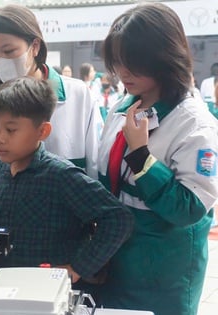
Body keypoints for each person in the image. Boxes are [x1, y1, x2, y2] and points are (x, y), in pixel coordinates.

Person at [97, 3, 218, 314]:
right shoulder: (124, 105)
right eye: (118, 61)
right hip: (117, 262)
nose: (123, 72)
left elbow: (189, 208)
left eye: (134, 62)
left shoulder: (195, 123)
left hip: (163, 275)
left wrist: (141, 158)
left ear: (165, 57)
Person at [0, 77, 133, 284]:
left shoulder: (60, 175)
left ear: (42, 131)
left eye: (11, 130)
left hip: (50, 290)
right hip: (7, 285)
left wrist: (78, 268)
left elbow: (118, 219)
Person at [0, 4, 102, 223]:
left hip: (69, 236)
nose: (0, 62)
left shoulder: (77, 95)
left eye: (9, 52)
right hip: (10, 238)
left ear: (35, 46)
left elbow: (95, 167)